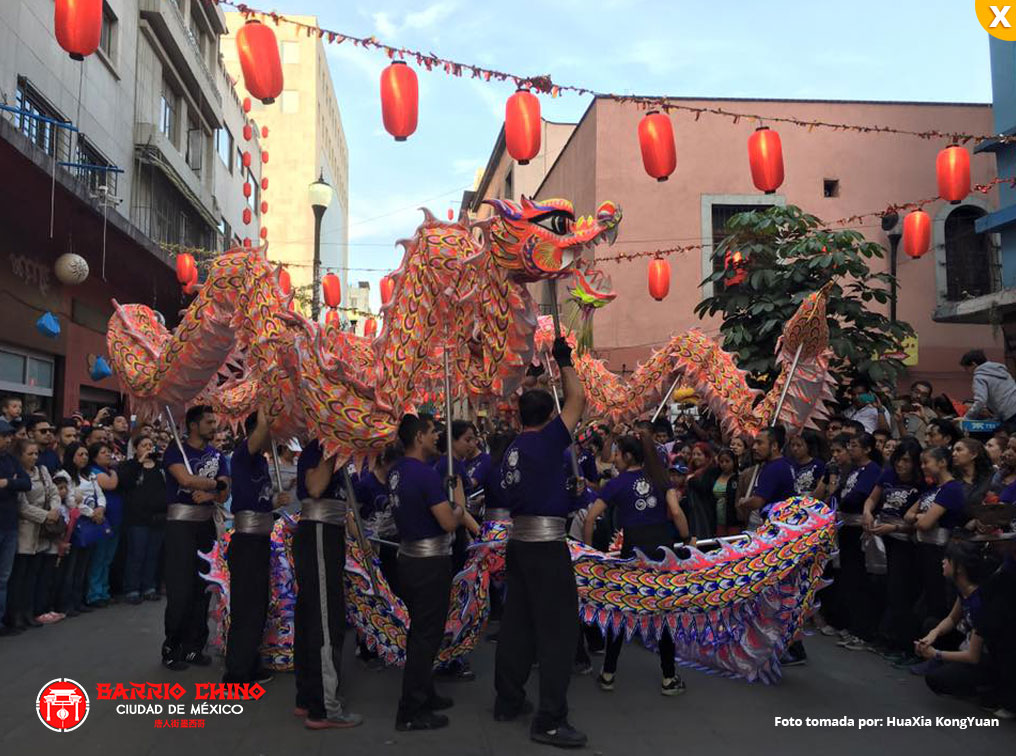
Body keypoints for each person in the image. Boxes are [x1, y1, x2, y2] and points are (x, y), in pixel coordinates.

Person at [494, 336, 588, 748]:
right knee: (557, 632)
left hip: (520, 543)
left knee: (517, 625)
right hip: (546, 547)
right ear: (549, 416)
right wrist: (563, 360)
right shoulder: (549, 439)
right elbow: (579, 398)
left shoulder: (512, 448)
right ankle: (550, 719)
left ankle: (508, 699)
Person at [582, 433, 690, 695]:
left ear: (628, 456)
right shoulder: (660, 479)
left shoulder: (615, 485)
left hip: (632, 554)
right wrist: (688, 540)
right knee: (663, 611)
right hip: (662, 553)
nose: (614, 458)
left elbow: (590, 519)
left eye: (617, 454)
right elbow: (676, 512)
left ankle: (608, 674)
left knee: (622, 611)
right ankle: (668, 677)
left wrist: (587, 551)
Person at [388, 414, 465, 731]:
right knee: (425, 635)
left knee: (421, 631)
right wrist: (458, 505)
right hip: (429, 563)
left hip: (409, 559)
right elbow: (448, 522)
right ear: (419, 437)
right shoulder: (423, 474)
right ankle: (411, 709)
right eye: (434, 433)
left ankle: (426, 691)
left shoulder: (397, 471)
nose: (438, 438)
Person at [293, 435, 363, 729]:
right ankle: (324, 707)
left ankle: (311, 696)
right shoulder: (318, 450)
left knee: (315, 617)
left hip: (327, 533)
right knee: (324, 619)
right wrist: (336, 451)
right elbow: (316, 487)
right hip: (319, 532)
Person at [162, 405, 230, 671]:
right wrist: (214, 484)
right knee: (180, 589)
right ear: (193, 425)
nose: (214, 426)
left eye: (215, 422)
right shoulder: (175, 450)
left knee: (203, 589)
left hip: (206, 527)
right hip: (180, 527)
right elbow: (185, 479)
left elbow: (225, 492)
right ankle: (172, 647)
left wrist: (212, 494)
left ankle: (194, 647)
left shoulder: (217, 455)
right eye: (209, 422)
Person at [224, 409, 289, 686]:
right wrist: (267, 401)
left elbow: (257, 499)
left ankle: (251, 664)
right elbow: (261, 430)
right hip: (247, 542)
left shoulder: (261, 462)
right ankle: (236, 675)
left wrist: (276, 501)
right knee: (246, 607)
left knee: (258, 606)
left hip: (261, 539)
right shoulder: (242, 455)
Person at [863, 440, 924, 658]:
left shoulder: (922, 483)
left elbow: (919, 522)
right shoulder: (888, 475)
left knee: (899, 592)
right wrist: (868, 512)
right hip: (880, 535)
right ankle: (881, 634)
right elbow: (871, 499)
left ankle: (900, 643)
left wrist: (895, 527)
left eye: (907, 460)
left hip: (904, 539)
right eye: (898, 459)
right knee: (879, 585)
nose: (901, 464)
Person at [916, 540, 996, 697]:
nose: (943, 562)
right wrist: (933, 634)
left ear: (959, 568)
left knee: (935, 680)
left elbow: (973, 656)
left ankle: (984, 687)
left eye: (947, 559)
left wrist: (936, 653)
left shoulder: (979, 601)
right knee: (931, 625)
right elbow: (952, 619)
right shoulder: (963, 590)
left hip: (983, 657)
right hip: (966, 642)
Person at [904, 447, 969, 628]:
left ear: (942, 463)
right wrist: (920, 517)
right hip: (923, 548)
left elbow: (925, 524)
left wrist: (920, 518)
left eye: (927, 462)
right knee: (921, 597)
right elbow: (908, 515)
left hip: (939, 551)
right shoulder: (933, 489)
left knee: (936, 600)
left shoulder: (952, 488)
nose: (923, 466)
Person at [834, 433, 885, 651]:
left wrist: (841, 504)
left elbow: (858, 495)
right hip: (844, 526)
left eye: (854, 446)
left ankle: (863, 630)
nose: (850, 449)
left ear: (867, 449)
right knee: (848, 578)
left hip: (858, 529)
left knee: (859, 580)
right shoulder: (851, 470)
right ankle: (852, 625)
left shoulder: (872, 470)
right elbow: (839, 492)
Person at [7, 439, 62, 629]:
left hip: (43, 532)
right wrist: (45, 516)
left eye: (36, 453)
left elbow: (54, 492)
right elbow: (22, 506)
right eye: (29, 454)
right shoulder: (17, 474)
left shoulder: (43, 471)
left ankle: (29, 612)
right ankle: (15, 615)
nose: (34, 457)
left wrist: (55, 510)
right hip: (26, 529)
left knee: (33, 576)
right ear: (19, 455)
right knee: (19, 578)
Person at [119, 435, 167, 603]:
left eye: (150, 445)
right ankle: (132, 588)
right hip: (137, 518)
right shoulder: (130, 466)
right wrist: (139, 462)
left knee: (153, 554)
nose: (148, 448)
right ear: (136, 448)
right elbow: (125, 482)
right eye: (144, 445)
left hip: (158, 518)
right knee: (136, 554)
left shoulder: (161, 467)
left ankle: (149, 587)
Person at [60, 441, 105, 618]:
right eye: (80, 454)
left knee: (83, 565)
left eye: (86, 454)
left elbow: (100, 494)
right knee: (71, 565)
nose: (84, 458)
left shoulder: (90, 475)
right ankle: (66, 602)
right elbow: (71, 500)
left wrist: (100, 509)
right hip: (75, 523)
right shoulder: (65, 475)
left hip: (91, 522)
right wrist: (91, 512)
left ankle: (78, 600)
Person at [0, 419, 31, 636]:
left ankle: (1, 621)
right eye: (4, 436)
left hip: (9, 525)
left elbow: (26, 483)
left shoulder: (10, 459)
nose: (8, 440)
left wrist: (8, 483)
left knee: (3, 577)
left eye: (9, 436)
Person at [85, 442, 120, 608]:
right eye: (103, 452)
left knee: (108, 558)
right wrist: (114, 471)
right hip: (102, 520)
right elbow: (110, 484)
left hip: (116, 519)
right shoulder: (94, 471)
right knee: (99, 558)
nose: (107, 455)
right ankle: (94, 593)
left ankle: (104, 591)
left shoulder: (106, 470)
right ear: (94, 457)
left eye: (108, 451)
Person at [736, 427, 796, 523]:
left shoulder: (773, 469)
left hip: (776, 525)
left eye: (759, 443)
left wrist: (743, 502)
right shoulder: (786, 463)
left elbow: (757, 502)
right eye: (754, 443)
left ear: (774, 446)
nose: (754, 447)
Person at [960, 349, 1016, 431]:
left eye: (966, 368)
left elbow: (980, 401)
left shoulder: (979, 376)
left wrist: (968, 417)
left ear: (973, 364)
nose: (966, 371)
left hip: (1010, 415)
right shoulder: (1001, 371)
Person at [951, 438, 994, 514]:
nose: (953, 454)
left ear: (974, 454)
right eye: (953, 450)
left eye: (959, 450)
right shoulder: (951, 479)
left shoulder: (992, 476)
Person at [894, 381, 937, 446]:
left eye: (924, 395)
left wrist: (924, 418)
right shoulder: (897, 408)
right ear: (911, 391)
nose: (919, 396)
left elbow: (936, 433)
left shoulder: (931, 415)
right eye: (916, 392)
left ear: (928, 398)